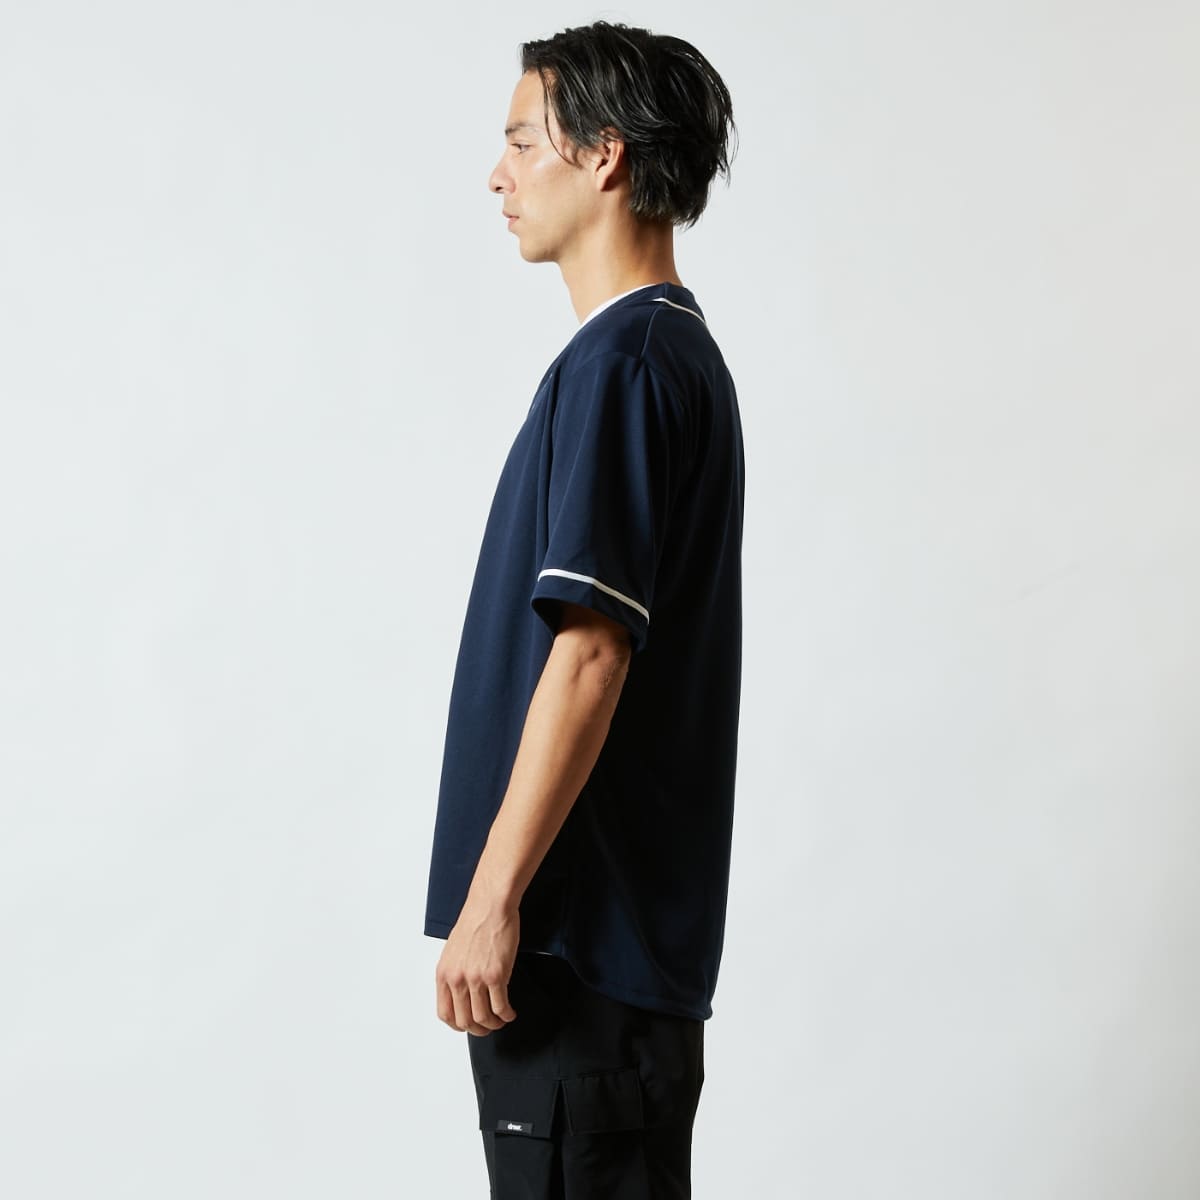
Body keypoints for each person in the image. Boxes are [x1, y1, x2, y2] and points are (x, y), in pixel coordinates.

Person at [423, 20, 743, 1198]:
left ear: (606, 154)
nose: (497, 175)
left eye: (522, 142)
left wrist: (493, 898)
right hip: (606, 968)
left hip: (580, 955)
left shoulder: (626, 366)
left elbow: (593, 655)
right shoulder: (663, 357)